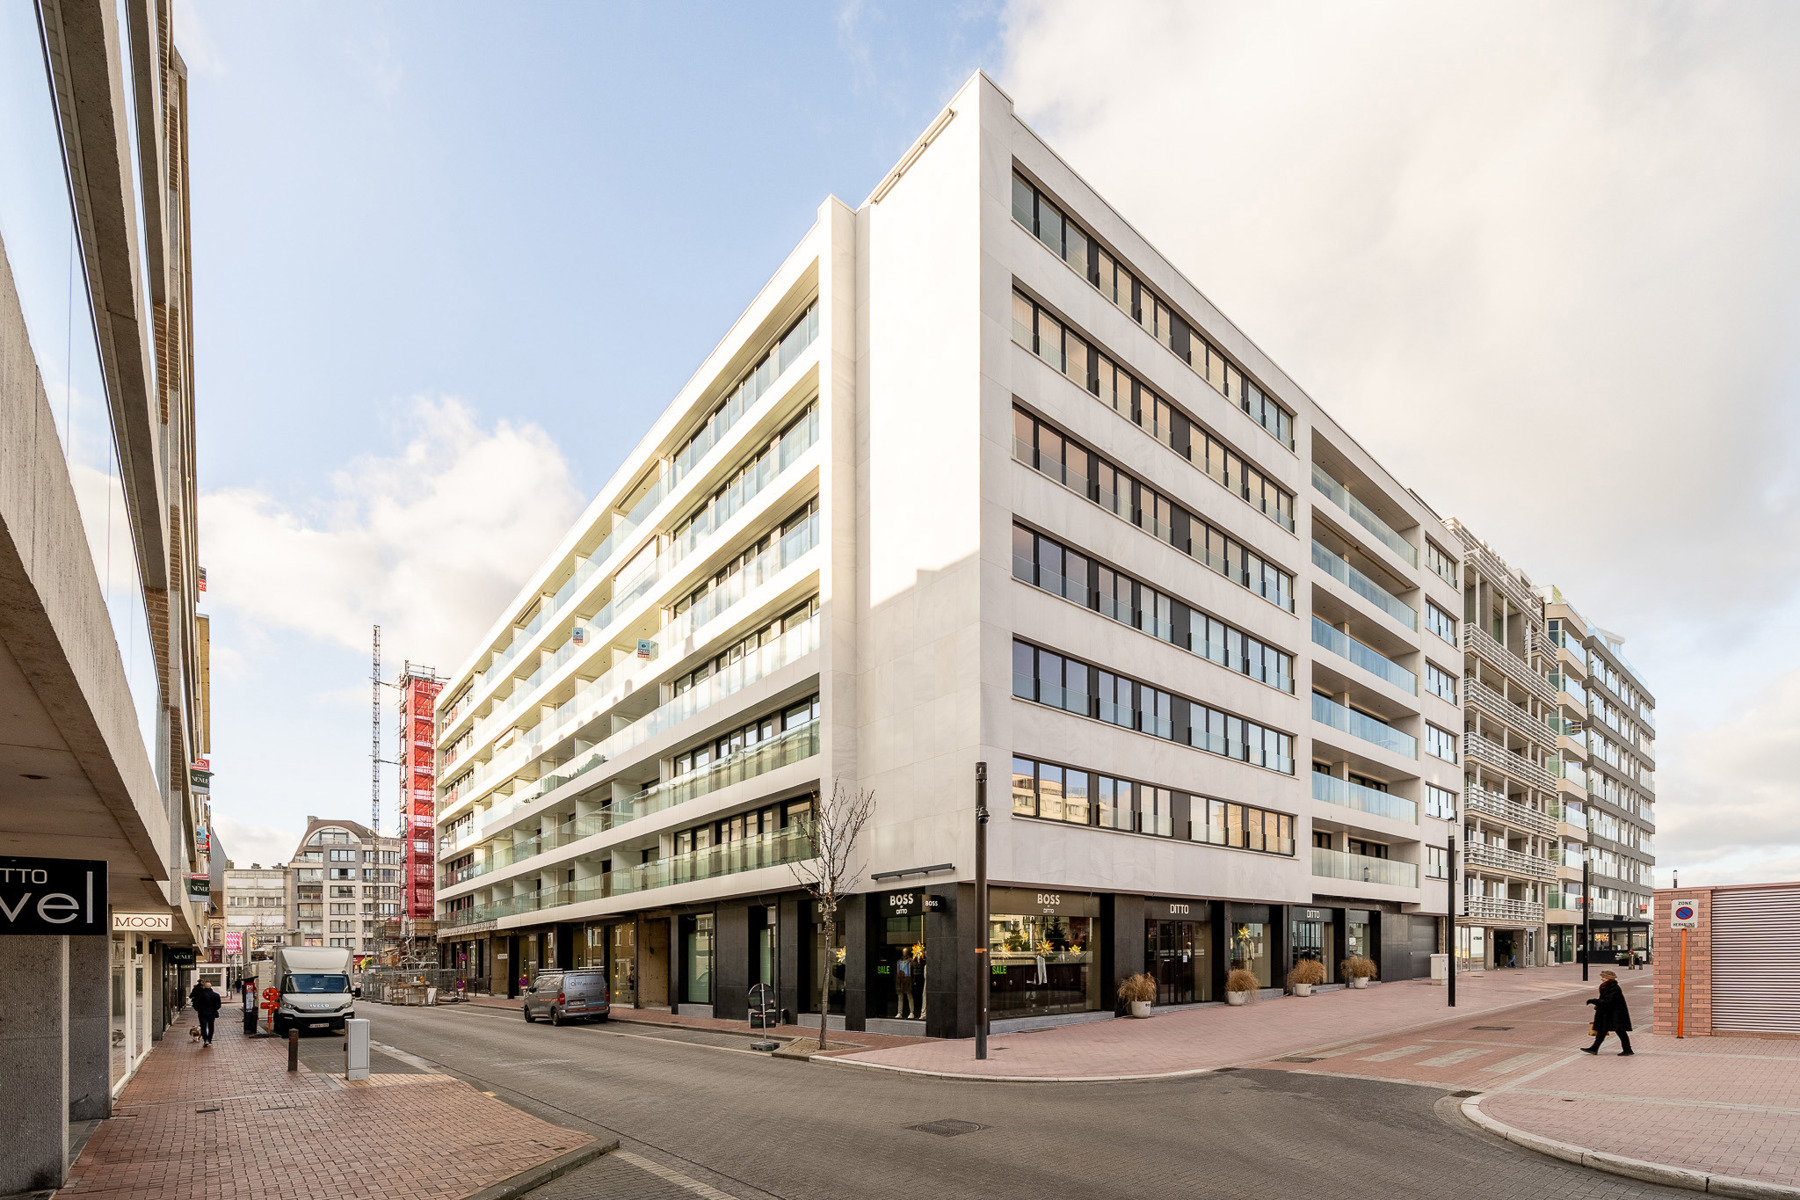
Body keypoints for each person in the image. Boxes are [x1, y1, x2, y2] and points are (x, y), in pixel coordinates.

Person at [1581, 969, 1633, 1056]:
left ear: (1609, 978)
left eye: (1604, 977)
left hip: (1615, 1014)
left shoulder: (1614, 988)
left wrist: (1594, 1001)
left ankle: (1627, 1050)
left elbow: (1608, 1001)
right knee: (1602, 1030)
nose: (1602, 979)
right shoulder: (1606, 986)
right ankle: (1594, 1048)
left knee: (1620, 1031)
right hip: (1608, 1013)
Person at [189, 980, 222, 1047]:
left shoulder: (199, 995)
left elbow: (195, 1004)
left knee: (203, 1026)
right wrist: (214, 1010)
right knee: (211, 1026)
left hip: (202, 1013)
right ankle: (209, 1039)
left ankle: (205, 1039)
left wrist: (198, 1009)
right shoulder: (216, 995)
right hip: (212, 1013)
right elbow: (218, 1005)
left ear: (204, 987)